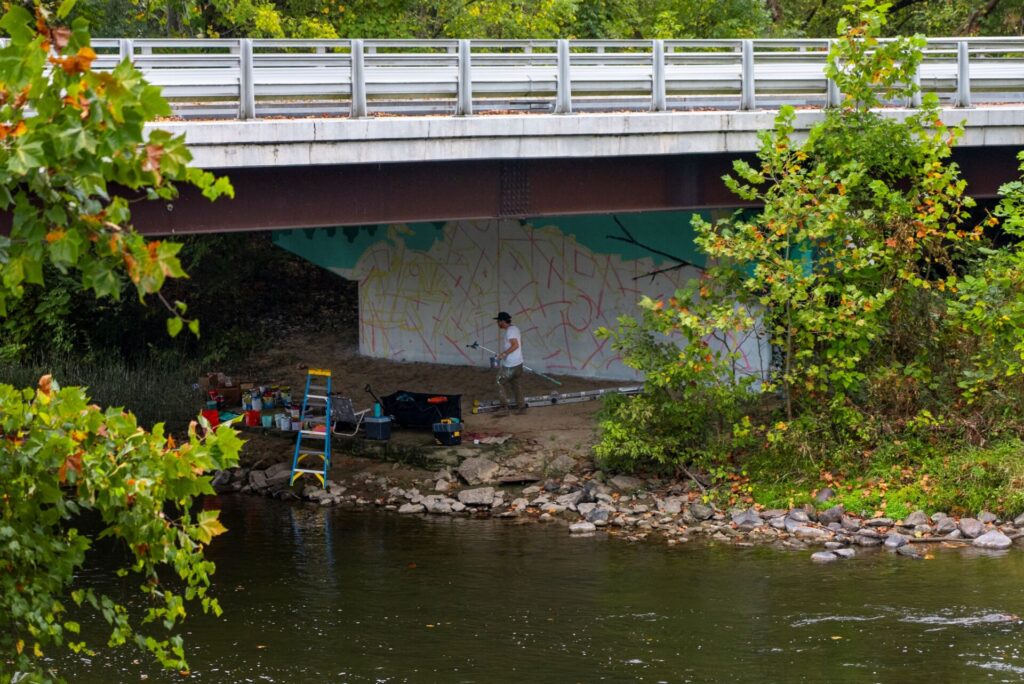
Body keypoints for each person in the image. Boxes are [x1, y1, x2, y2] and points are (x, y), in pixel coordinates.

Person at [493, 311, 527, 415]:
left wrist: (504, 353)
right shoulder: (515, 329)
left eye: (498, 321)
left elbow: (515, 345)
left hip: (511, 365)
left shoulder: (510, 331)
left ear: (503, 321)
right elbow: (519, 344)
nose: (497, 323)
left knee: (499, 381)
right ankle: (521, 407)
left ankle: (504, 407)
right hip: (518, 363)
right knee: (516, 384)